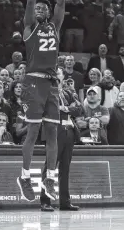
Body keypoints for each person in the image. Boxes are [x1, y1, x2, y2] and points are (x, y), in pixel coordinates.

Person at [17, 0, 65, 202]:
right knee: (33, 132)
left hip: (51, 84)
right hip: (33, 82)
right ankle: (25, 176)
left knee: (53, 133)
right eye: (38, 8)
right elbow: (30, 0)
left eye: (44, 8)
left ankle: (50, 178)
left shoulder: (55, 26)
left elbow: (61, 3)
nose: (40, 9)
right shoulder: (28, 27)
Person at [39, 67, 82, 212]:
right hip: (54, 131)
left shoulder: (68, 92)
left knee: (65, 168)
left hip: (68, 131)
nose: (56, 75)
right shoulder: (45, 92)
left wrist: (67, 109)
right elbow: (48, 109)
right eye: (54, 73)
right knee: (49, 167)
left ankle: (65, 202)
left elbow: (79, 109)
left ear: (63, 76)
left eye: (58, 73)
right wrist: (66, 109)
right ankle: (45, 201)